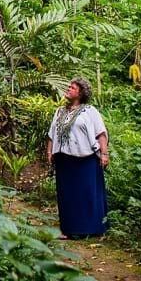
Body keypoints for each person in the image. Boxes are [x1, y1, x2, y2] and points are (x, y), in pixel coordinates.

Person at [46, 77, 109, 239]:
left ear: (81, 93)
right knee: (67, 195)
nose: (68, 89)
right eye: (69, 87)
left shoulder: (90, 111)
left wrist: (104, 153)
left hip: (85, 159)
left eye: (72, 88)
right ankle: (68, 229)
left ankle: (90, 229)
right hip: (64, 160)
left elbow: (100, 133)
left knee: (86, 194)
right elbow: (51, 134)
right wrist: (49, 152)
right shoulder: (60, 111)